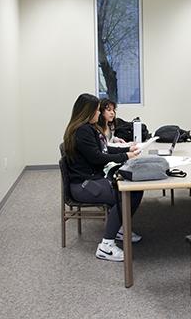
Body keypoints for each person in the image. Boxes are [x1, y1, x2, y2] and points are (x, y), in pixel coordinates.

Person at [63, 93, 143, 262]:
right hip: (84, 185)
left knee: (134, 191)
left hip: (93, 179)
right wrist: (126, 157)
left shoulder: (89, 128)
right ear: (87, 112)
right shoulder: (82, 132)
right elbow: (97, 157)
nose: (99, 114)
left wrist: (127, 151)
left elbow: (104, 150)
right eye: (97, 110)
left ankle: (118, 228)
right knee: (124, 195)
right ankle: (106, 246)